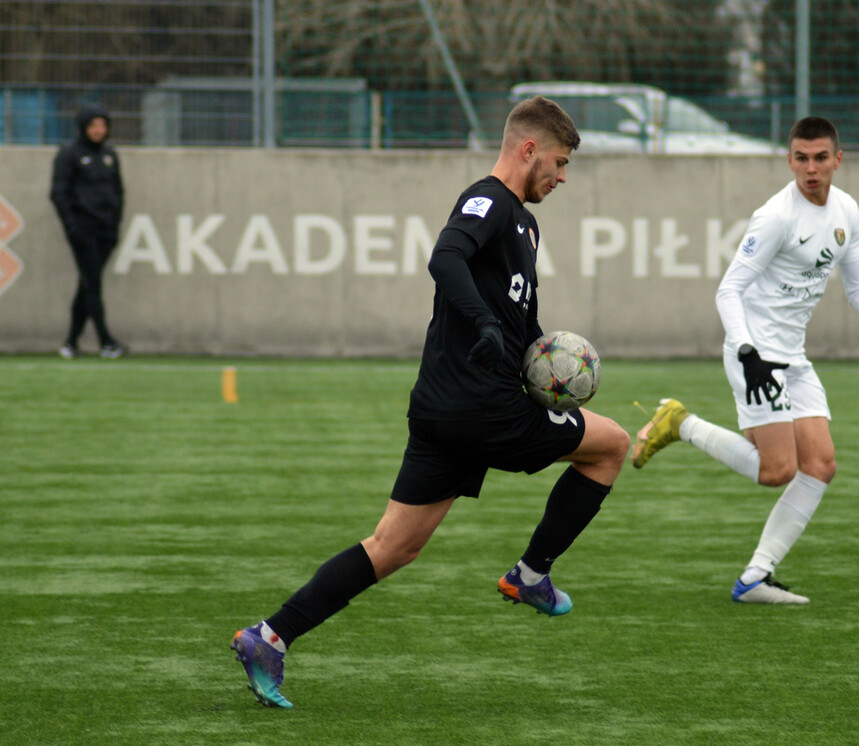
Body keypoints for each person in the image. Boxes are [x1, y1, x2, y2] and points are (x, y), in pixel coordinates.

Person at [231, 96, 631, 708]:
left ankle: (270, 637)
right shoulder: (489, 199)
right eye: (558, 161)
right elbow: (445, 257)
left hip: (444, 409)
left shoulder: (524, 222)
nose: (562, 176)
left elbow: (513, 314)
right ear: (529, 150)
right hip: (485, 409)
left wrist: (536, 350)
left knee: (393, 546)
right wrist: (485, 326)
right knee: (611, 447)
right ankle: (530, 575)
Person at [631, 116, 859, 605]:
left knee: (822, 464)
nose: (811, 169)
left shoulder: (846, 211)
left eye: (820, 158)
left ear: (838, 159)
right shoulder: (775, 217)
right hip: (755, 354)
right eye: (801, 159)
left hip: (792, 356)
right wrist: (747, 352)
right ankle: (679, 423)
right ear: (789, 160)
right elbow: (729, 291)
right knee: (777, 471)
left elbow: (857, 289)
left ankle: (754, 579)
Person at [50, 104, 127, 359]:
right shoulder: (69, 154)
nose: (98, 130)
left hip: (106, 231)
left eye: (102, 125)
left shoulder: (109, 155)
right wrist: (72, 226)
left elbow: (118, 191)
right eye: (93, 126)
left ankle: (71, 343)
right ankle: (106, 341)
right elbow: (58, 193)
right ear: (83, 127)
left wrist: (115, 224)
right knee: (93, 284)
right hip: (83, 231)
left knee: (87, 285)